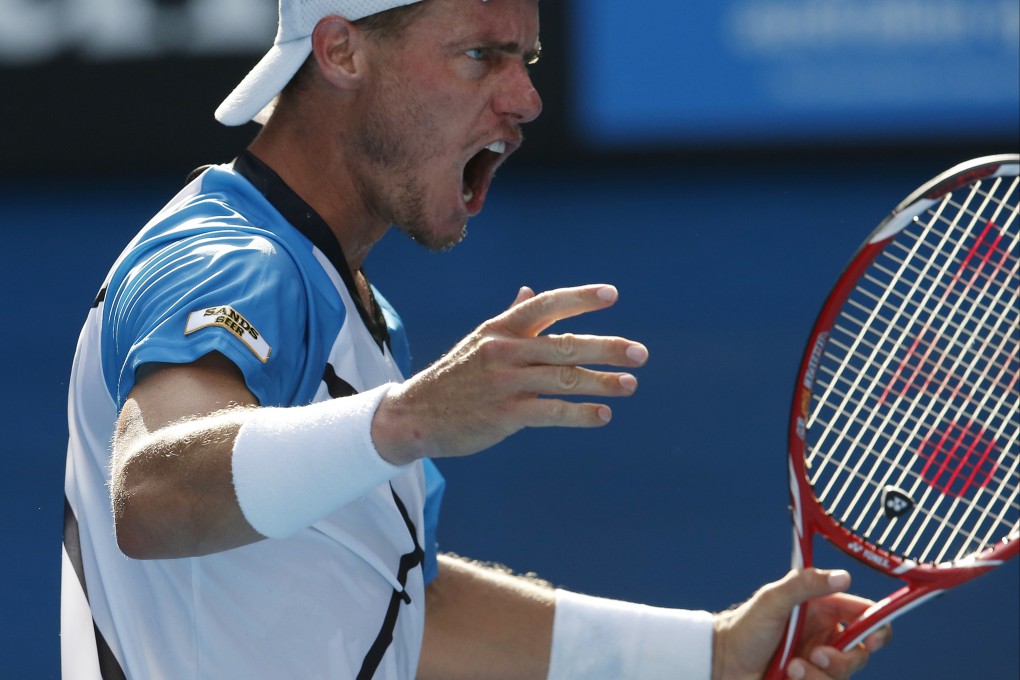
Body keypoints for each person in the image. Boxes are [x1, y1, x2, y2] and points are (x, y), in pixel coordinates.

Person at [60, 0, 892, 678]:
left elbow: (412, 612)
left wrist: (709, 652)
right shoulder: (232, 260)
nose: (526, 98)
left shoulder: (355, 310)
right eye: (479, 56)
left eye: (524, 60)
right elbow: (154, 495)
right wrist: (406, 420)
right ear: (342, 52)